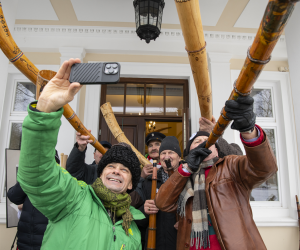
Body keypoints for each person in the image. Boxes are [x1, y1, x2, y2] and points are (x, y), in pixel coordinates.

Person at [17, 58, 145, 250]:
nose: (116, 171)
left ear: (131, 184)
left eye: (124, 170)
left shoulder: (132, 227)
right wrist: (45, 111)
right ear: (100, 174)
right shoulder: (74, 198)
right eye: (110, 166)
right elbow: (38, 177)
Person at [155, 95, 278, 250]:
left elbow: (265, 169)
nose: (203, 143)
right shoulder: (183, 176)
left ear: (216, 149)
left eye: (208, 141)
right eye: (197, 142)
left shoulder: (231, 165)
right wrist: (186, 169)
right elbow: (162, 203)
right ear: (190, 152)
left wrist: (249, 131)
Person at [7, 151, 60, 250]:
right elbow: (13, 196)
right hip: (24, 243)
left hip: (46, 245)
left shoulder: (59, 185)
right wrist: (28, 178)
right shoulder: (31, 181)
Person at [136, 136, 181, 250]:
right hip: (155, 243)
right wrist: (144, 210)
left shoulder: (186, 180)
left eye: (171, 152)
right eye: (163, 153)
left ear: (179, 157)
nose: (166, 156)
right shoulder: (149, 181)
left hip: (180, 242)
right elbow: (138, 221)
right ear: (160, 158)